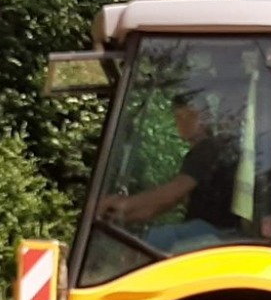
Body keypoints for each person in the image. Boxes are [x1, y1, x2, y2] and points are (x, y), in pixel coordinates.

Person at [97, 92, 243, 252]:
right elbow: (160, 206)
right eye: (178, 117)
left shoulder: (207, 149)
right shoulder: (211, 151)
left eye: (189, 115)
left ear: (204, 117)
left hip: (213, 232)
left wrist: (124, 205)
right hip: (219, 233)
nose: (182, 122)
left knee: (149, 243)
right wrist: (127, 213)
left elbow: (172, 194)